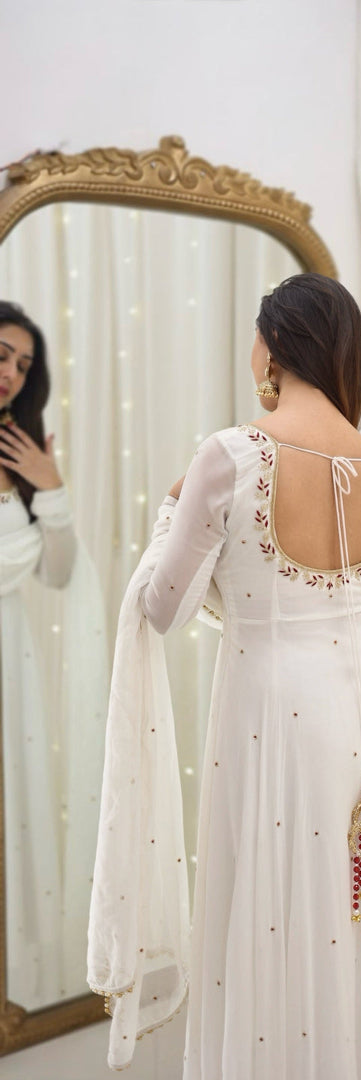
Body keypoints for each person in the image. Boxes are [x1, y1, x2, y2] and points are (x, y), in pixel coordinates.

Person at [88, 273, 361, 1078]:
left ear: (275, 344)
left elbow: (163, 607)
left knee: (280, 912)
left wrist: (172, 509)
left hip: (282, 707)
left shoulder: (231, 454)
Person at [0, 301, 105, 1007]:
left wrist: (52, 485)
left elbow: (59, 572)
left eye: (23, 364)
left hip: (14, 663)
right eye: (1, 354)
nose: (10, 372)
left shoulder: (20, 453)